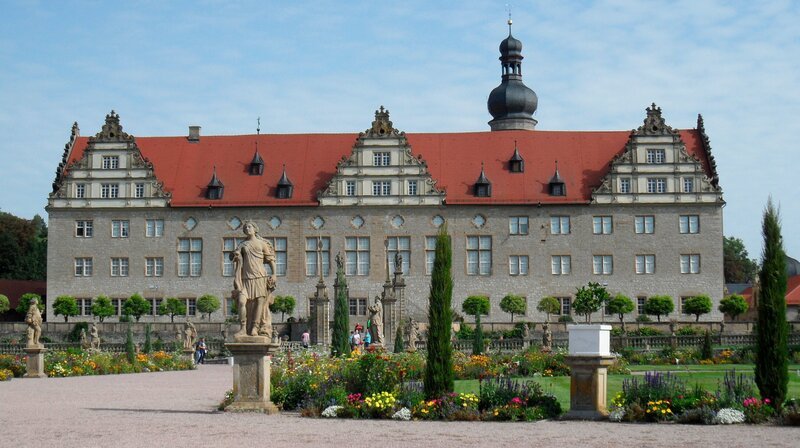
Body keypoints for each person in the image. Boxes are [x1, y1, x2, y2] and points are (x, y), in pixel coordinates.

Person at [232, 220, 277, 339]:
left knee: (259, 302)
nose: (247, 229)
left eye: (249, 227)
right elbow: (233, 256)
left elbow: (271, 260)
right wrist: (235, 255)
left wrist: (274, 274)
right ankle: (243, 328)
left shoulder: (262, 244)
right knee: (242, 301)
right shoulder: (242, 245)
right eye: (245, 227)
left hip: (260, 277)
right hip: (246, 278)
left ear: (255, 229)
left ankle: (255, 327)